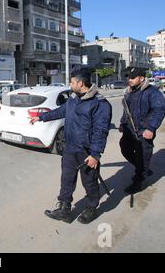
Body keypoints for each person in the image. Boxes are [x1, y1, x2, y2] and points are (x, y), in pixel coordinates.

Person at [30, 70, 112, 224]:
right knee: (67, 179)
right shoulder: (74, 99)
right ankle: (64, 209)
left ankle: (92, 207)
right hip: (70, 148)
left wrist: (95, 154)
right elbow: (61, 111)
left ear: (80, 83)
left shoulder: (99, 104)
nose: (70, 85)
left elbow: (101, 131)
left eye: (72, 82)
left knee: (90, 182)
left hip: (86, 152)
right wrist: (41, 117)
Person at [119, 68, 165, 194]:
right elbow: (126, 112)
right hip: (129, 130)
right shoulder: (129, 92)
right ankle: (143, 169)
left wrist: (151, 128)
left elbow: (159, 110)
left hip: (144, 131)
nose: (130, 80)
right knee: (125, 148)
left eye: (133, 77)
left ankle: (138, 181)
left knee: (142, 157)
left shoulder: (152, 92)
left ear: (142, 78)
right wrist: (122, 123)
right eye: (129, 77)